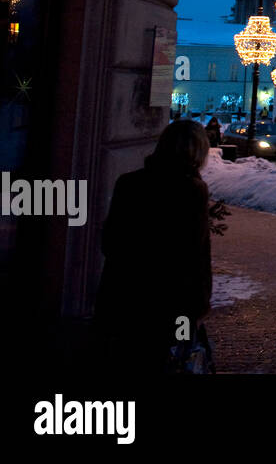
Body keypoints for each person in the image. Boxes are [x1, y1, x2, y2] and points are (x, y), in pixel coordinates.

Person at [95, 119, 213, 373]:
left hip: (121, 296)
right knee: (167, 361)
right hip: (169, 301)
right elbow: (195, 255)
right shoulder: (191, 190)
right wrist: (198, 308)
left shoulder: (129, 182)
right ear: (197, 151)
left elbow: (111, 241)